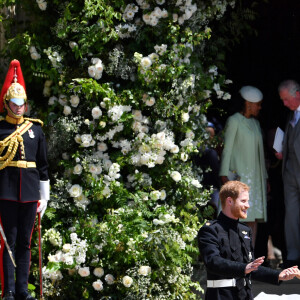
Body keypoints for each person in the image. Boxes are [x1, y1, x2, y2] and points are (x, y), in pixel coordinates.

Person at [198, 181, 300, 300]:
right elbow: (213, 262)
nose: (248, 205)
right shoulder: (210, 230)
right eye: (243, 201)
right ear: (230, 201)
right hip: (220, 296)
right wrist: (244, 268)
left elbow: (252, 267)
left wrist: (278, 275)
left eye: (247, 201)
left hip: (245, 296)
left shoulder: (245, 230)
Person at [0, 60, 50, 300]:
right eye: (14, 103)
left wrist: (45, 195)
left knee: (25, 243)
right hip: (7, 191)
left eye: (22, 103)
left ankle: (22, 290)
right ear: (6, 104)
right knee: (8, 242)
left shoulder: (36, 130)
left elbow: (42, 166)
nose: (19, 107)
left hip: (30, 193)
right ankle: (8, 290)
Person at [219, 86, 267, 247]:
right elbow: (227, 149)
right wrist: (223, 175)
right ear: (248, 103)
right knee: (237, 216)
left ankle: (250, 257)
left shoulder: (255, 123)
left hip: (255, 179)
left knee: (253, 218)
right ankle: (234, 257)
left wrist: (265, 178)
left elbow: (260, 154)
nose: (260, 107)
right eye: (258, 104)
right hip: (239, 176)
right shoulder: (234, 121)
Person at [276, 79, 300, 268]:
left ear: (297, 94)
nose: (284, 103)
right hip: (290, 173)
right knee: (291, 215)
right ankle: (293, 256)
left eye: (286, 99)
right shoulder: (291, 116)